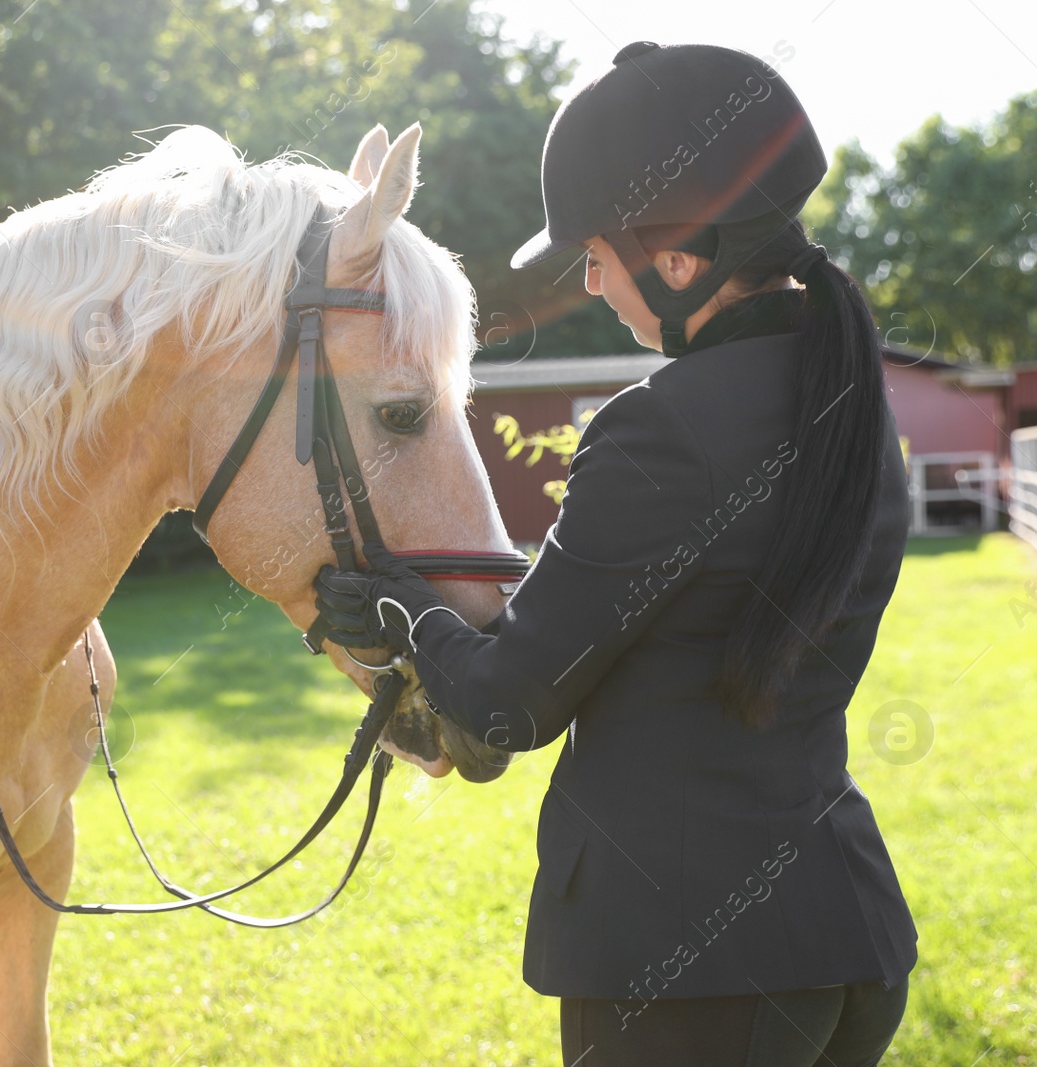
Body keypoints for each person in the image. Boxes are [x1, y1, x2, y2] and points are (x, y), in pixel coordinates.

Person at [314, 41, 916, 1067]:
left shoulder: (659, 425)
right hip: (844, 928)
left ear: (679, 256)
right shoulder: (853, 408)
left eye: (594, 254)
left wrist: (409, 610)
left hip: (682, 969)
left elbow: (508, 703)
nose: (588, 281)